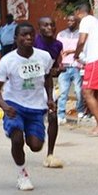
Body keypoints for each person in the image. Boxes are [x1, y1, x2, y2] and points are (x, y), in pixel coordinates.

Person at [0, 23, 55, 191]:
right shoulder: (8, 61)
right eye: (24, 35)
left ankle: (29, 133)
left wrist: (50, 98)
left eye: (31, 35)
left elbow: (48, 78)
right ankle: (22, 174)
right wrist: (5, 107)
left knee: (35, 145)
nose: (28, 38)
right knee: (17, 138)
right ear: (16, 38)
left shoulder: (44, 57)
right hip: (14, 105)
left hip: (36, 107)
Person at [73, 4, 98, 136]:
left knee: (87, 92)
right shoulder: (96, 22)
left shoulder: (85, 21)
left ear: (78, 11)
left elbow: (81, 41)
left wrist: (76, 54)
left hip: (97, 61)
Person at [34, 17, 64, 168]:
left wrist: (57, 70)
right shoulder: (32, 42)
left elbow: (54, 68)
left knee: (53, 116)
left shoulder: (58, 45)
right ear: (39, 27)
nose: (49, 27)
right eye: (45, 25)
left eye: (52, 24)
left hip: (47, 85)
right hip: (29, 86)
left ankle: (50, 154)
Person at [56, 14, 86, 123]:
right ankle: (61, 115)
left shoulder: (81, 34)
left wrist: (71, 51)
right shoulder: (61, 34)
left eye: (72, 21)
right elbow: (58, 47)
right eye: (68, 20)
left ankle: (80, 110)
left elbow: (82, 46)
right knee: (63, 92)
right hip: (65, 66)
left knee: (79, 91)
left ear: (77, 22)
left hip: (77, 66)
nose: (69, 22)